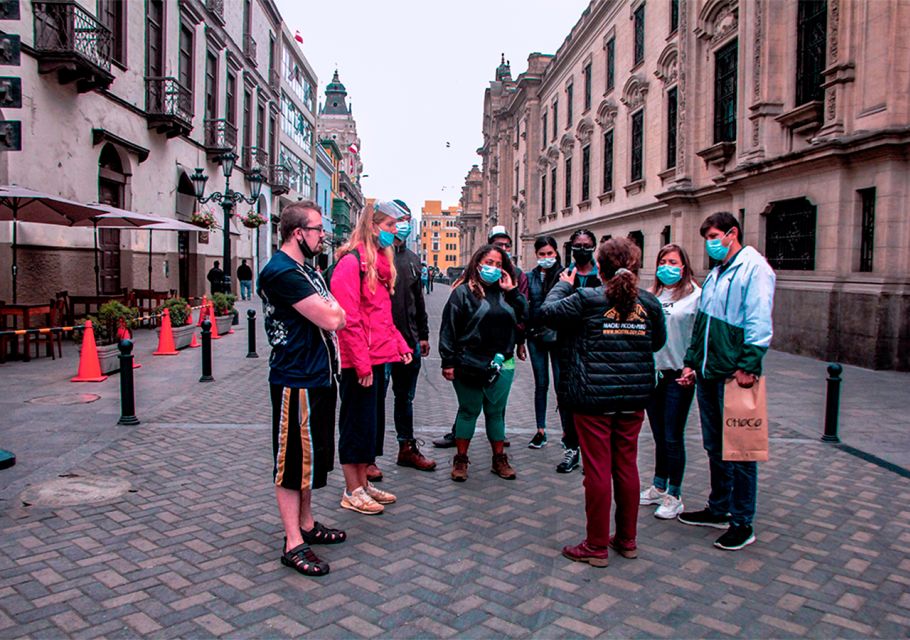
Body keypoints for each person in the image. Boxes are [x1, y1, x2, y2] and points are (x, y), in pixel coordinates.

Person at [541, 237, 666, 567]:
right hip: (633, 396)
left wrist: (561, 285)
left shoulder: (587, 298)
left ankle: (596, 545)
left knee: (597, 467)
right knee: (626, 465)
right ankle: (627, 539)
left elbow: (546, 313)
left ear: (600, 267)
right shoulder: (649, 303)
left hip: (593, 396)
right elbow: (658, 342)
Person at [257, 200, 347, 577]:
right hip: (297, 379)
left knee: (310, 459)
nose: (323, 235)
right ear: (299, 233)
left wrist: (334, 312)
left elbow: (336, 315)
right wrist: (333, 312)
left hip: (319, 377)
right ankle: (293, 541)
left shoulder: (306, 270)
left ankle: (307, 523)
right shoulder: (281, 273)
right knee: (292, 461)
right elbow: (332, 316)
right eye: (317, 230)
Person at [677, 212, 775, 551]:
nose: (710, 243)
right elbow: (702, 325)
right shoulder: (718, 273)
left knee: (742, 451)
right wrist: (691, 362)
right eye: (707, 237)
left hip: (736, 376)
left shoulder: (754, 269)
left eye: (714, 236)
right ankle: (719, 507)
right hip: (708, 373)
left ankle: (742, 521)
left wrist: (748, 365)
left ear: (733, 234)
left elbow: (759, 322)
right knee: (715, 447)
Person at [330, 202, 413, 515]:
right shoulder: (351, 263)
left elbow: (381, 315)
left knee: (371, 426)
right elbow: (348, 318)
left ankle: (363, 483)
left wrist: (400, 344)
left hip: (377, 357)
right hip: (359, 362)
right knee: (356, 424)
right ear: (374, 224)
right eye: (391, 225)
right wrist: (361, 363)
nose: (395, 231)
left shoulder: (378, 262)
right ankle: (352, 489)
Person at [433, 225, 528, 449]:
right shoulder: (463, 292)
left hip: (502, 363)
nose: (493, 268)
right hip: (469, 363)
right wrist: (448, 362)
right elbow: (449, 329)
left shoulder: (508, 293)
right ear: (478, 264)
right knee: (469, 411)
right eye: (488, 263)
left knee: (496, 413)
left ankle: (499, 458)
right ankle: (461, 459)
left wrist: (512, 291)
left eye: (498, 264)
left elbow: (527, 316)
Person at [639, 244, 701, 520]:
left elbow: (700, 336)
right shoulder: (652, 296)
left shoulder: (696, 297)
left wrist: (693, 366)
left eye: (673, 261)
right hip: (654, 374)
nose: (667, 266)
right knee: (659, 435)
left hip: (679, 374)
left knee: (673, 435)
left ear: (684, 266)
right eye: (663, 261)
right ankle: (659, 484)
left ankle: (674, 495)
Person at [383, 199, 436, 472]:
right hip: (379, 345)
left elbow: (418, 302)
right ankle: (368, 458)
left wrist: (423, 335)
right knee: (375, 400)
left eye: (405, 220)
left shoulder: (413, 260)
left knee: (405, 398)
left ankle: (406, 447)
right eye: (395, 220)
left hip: (409, 342)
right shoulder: (375, 255)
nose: (400, 226)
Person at [552, 228, 601, 474]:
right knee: (566, 397)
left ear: (593, 247)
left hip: (595, 347)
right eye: (577, 245)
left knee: (591, 400)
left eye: (586, 245)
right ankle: (571, 448)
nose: (582, 249)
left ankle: (591, 451)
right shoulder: (564, 274)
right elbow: (552, 307)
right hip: (567, 344)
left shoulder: (602, 275)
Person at [524, 236, 564, 449]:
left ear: (556, 253)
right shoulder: (530, 277)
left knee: (561, 384)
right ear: (536, 255)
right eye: (542, 254)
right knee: (541, 384)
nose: (546, 258)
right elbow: (525, 306)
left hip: (559, 337)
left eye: (550, 254)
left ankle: (567, 432)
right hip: (536, 336)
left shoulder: (564, 275)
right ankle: (540, 430)